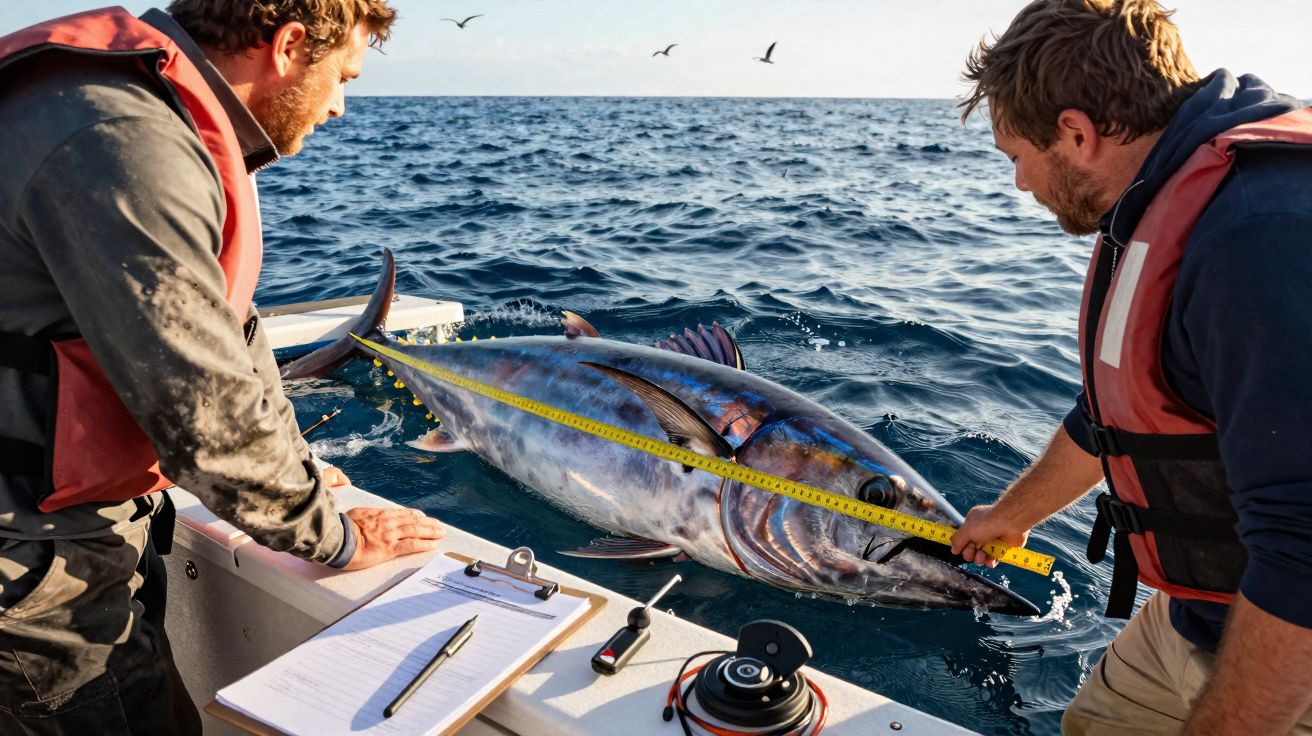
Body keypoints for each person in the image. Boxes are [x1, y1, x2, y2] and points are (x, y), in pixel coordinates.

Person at [0, 1, 445, 733]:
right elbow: (202, 415)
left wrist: (296, 467)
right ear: (290, 45)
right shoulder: (124, 139)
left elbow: (229, 336)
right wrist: (337, 536)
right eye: (343, 77)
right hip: (33, 564)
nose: (340, 106)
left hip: (73, 532)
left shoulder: (128, 108)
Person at [948, 0, 1312, 733]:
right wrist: (1008, 518)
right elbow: (1115, 412)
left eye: (1017, 157)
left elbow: (1305, 548)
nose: (1020, 185)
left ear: (1077, 133)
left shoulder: (1260, 238)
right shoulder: (1169, 197)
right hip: (1199, 617)